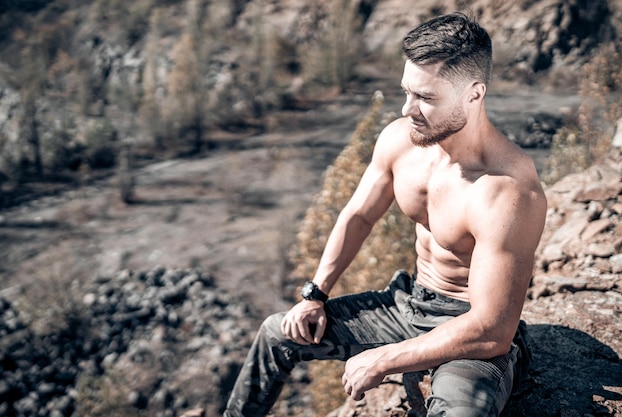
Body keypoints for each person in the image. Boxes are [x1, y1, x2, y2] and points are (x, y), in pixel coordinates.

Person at [223, 11, 547, 417]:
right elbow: (358, 215)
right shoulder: (402, 141)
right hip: (409, 304)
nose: (408, 109)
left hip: (469, 330)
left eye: (426, 98)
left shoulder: (508, 191)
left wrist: (385, 359)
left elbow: (493, 331)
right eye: (407, 92)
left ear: (474, 94)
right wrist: (315, 294)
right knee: (277, 333)